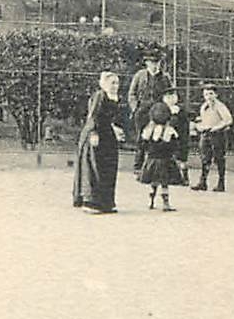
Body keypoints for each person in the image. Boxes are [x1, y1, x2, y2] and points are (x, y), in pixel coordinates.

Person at [72, 70, 124, 213]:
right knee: (95, 167)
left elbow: (108, 118)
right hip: (95, 136)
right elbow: (93, 115)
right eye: (112, 83)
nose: (115, 86)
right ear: (104, 84)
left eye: (117, 83)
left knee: (107, 167)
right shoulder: (99, 95)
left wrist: (115, 129)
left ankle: (106, 203)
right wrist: (94, 133)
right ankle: (91, 202)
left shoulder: (113, 97)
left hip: (107, 135)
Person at [126, 49, 172, 170]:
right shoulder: (139, 75)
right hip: (142, 111)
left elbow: (170, 95)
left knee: (156, 137)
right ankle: (138, 166)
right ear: (146, 63)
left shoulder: (165, 77)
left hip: (158, 112)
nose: (154, 64)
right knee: (141, 137)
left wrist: (165, 110)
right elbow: (132, 93)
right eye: (151, 62)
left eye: (156, 62)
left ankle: (152, 168)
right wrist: (135, 108)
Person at [139, 101, 185, 211]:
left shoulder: (148, 130)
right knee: (164, 183)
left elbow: (142, 144)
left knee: (154, 182)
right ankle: (166, 203)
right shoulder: (170, 131)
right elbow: (175, 144)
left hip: (151, 160)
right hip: (165, 160)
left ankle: (151, 201)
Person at [191, 82, 234, 192]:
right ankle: (203, 182)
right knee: (205, 158)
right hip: (206, 135)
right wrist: (199, 127)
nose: (208, 97)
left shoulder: (220, 106)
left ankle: (221, 183)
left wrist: (216, 127)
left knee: (219, 158)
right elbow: (203, 120)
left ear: (216, 94)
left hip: (218, 135)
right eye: (206, 94)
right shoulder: (204, 106)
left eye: (211, 94)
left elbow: (228, 120)